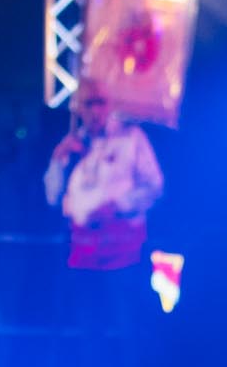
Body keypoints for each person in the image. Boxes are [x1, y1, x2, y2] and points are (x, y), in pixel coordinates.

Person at [44, 81, 165, 272]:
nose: (95, 111)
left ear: (110, 105)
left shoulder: (131, 137)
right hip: (82, 254)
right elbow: (53, 197)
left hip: (123, 253)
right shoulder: (72, 144)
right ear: (78, 108)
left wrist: (117, 206)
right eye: (89, 103)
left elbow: (154, 186)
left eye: (101, 102)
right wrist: (57, 159)